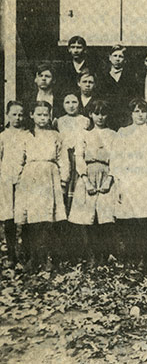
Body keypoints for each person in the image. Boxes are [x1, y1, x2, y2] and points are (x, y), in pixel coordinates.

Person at [14, 101, 69, 272]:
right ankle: (32, 258)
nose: (43, 118)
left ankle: (49, 258)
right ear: (31, 115)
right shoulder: (25, 136)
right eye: (39, 114)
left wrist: (63, 180)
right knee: (31, 220)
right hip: (31, 178)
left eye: (46, 114)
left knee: (48, 220)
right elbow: (18, 160)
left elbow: (63, 160)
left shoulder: (56, 136)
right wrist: (18, 180)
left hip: (50, 178)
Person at [111, 99, 147, 267]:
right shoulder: (123, 132)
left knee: (145, 220)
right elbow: (116, 159)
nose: (140, 115)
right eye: (136, 111)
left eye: (143, 111)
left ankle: (145, 258)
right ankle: (131, 256)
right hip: (128, 179)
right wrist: (118, 182)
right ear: (131, 113)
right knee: (129, 219)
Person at [68, 100, 117, 264]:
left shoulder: (113, 134)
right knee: (87, 217)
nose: (100, 117)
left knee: (105, 216)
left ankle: (105, 253)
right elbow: (79, 157)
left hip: (106, 175)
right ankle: (92, 254)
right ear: (90, 114)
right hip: (88, 175)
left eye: (103, 113)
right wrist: (85, 179)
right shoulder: (84, 134)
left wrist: (109, 179)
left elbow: (117, 158)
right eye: (96, 113)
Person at [0, 101, 29, 267]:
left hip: (23, 178)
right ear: (8, 115)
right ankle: (11, 254)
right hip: (5, 179)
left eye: (20, 114)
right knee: (8, 217)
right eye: (14, 114)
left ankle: (24, 252)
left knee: (23, 216)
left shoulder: (27, 135)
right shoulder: (3, 136)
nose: (18, 118)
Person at [56, 93, 90, 214]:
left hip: (79, 157)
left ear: (79, 104)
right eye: (67, 102)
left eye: (74, 102)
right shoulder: (59, 121)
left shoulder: (85, 120)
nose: (71, 106)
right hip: (65, 158)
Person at [98, 45, 137, 129]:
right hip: (107, 116)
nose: (117, 59)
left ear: (125, 60)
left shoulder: (130, 76)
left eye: (121, 56)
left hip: (125, 117)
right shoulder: (103, 75)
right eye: (115, 56)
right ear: (110, 57)